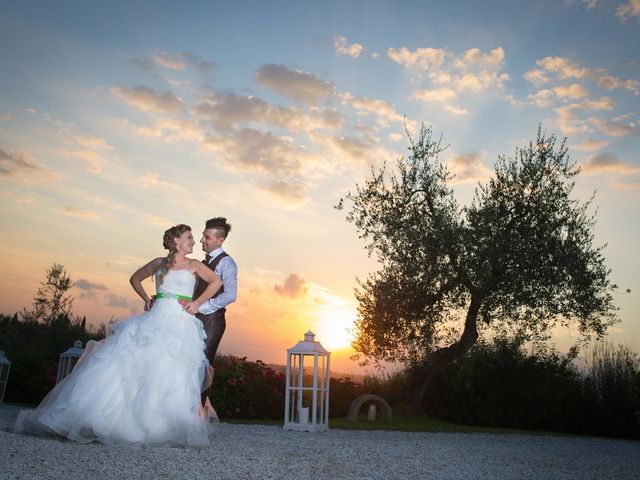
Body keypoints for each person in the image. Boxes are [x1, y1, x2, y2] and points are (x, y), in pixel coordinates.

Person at [14, 224, 222, 447]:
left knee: (171, 369)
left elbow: (216, 281)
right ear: (176, 242)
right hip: (156, 317)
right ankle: (115, 421)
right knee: (128, 364)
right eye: (189, 237)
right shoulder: (158, 263)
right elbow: (135, 278)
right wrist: (146, 298)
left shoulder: (195, 265)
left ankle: (160, 425)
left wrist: (196, 303)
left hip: (179, 322)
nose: (193, 241)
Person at [188, 217, 238, 406]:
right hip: (194, 318)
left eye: (206, 237)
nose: (201, 240)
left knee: (202, 365)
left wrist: (200, 308)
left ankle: (198, 414)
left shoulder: (228, 263)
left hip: (212, 322)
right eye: (203, 236)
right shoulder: (202, 261)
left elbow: (230, 295)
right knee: (189, 362)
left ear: (220, 240)